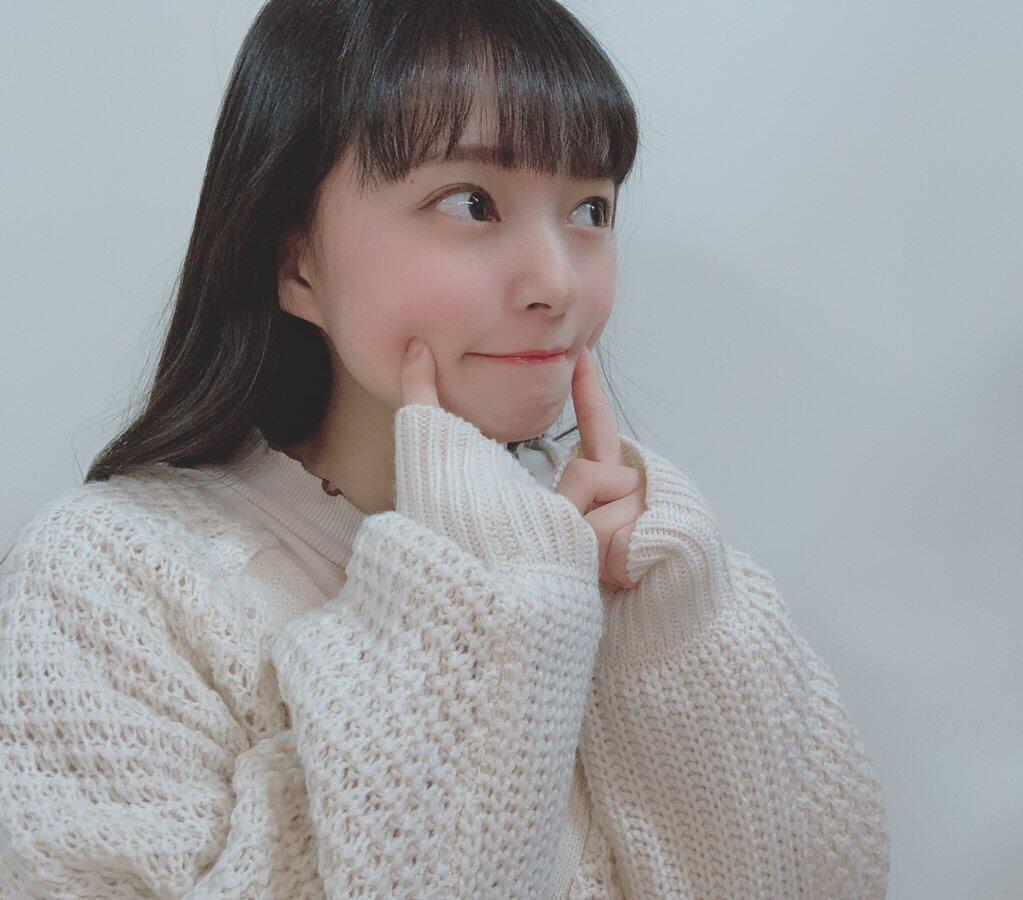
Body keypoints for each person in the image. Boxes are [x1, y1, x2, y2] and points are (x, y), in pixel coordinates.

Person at [0, 0, 891, 896]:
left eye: (590, 208)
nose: (556, 282)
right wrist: (468, 620)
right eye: (472, 204)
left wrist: (670, 642)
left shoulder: (638, 566)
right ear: (294, 258)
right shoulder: (116, 579)